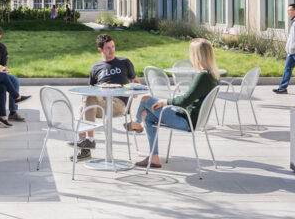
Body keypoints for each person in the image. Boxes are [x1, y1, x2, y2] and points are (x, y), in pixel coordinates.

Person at [126, 37, 219, 169]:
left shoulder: (203, 76)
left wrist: (165, 101)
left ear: (197, 55)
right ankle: (154, 158)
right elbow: (189, 98)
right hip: (192, 119)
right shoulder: (213, 76)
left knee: (146, 99)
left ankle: (136, 123)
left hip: (186, 121)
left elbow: (185, 101)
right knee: (147, 115)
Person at [73, 34, 138, 161]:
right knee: (83, 108)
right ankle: (86, 148)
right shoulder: (96, 68)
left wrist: (135, 90)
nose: (112, 50)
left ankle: (89, 140)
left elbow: (135, 81)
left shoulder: (124, 62)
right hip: (101, 103)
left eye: (113, 46)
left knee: (85, 106)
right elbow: (91, 89)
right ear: (100, 50)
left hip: (119, 103)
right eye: (108, 48)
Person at [0, 24, 30, 122]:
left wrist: (3, 69)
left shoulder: (2, 48)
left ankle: (13, 112)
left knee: (15, 81)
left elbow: (4, 65)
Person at [274, 3, 295, 94]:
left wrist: (294, 47)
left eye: (290, 10)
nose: (288, 12)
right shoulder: (294, 21)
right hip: (292, 52)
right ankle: (282, 88)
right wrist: (288, 48)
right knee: (287, 69)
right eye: (288, 10)